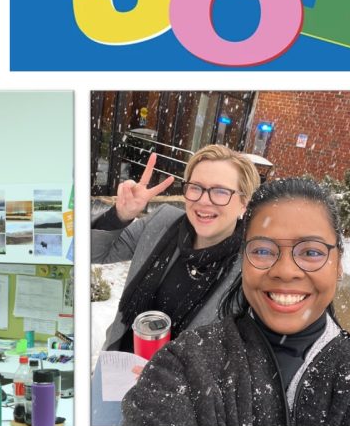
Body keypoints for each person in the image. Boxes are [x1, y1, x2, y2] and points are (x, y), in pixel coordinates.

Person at [120, 178, 350, 426]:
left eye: (311, 252)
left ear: (339, 263)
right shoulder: (184, 363)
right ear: (244, 260)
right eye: (262, 250)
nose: (285, 271)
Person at [93, 145, 260, 353]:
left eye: (220, 192)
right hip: (118, 369)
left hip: (181, 384)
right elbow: (95, 252)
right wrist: (119, 215)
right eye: (196, 187)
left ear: (244, 203)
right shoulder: (162, 223)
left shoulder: (251, 268)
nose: (203, 200)